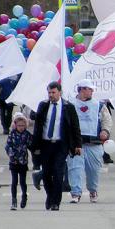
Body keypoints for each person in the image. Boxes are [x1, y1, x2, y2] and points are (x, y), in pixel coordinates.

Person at [32, 82, 82, 211]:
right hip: (46, 144)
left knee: (58, 172)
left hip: (61, 145)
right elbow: (37, 127)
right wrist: (35, 146)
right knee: (47, 173)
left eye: (53, 92)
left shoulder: (68, 107)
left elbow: (75, 127)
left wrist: (78, 145)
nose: (51, 95)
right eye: (49, 92)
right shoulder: (43, 106)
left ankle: (56, 202)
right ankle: (50, 196)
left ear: (60, 92)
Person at [66, 79, 112, 204]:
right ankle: (76, 193)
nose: (91, 91)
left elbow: (107, 120)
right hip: (77, 143)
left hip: (94, 143)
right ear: (81, 89)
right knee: (75, 168)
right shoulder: (70, 104)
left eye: (92, 89)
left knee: (93, 170)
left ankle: (93, 190)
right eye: (89, 89)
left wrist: (105, 131)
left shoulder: (99, 105)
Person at [4, 112, 32, 210]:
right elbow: (8, 146)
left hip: (23, 161)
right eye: (19, 125)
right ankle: (14, 200)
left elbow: (31, 145)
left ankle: (24, 196)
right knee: (14, 181)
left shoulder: (27, 135)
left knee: (23, 181)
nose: (21, 127)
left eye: (23, 125)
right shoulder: (12, 134)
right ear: (15, 125)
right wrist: (12, 157)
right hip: (14, 162)